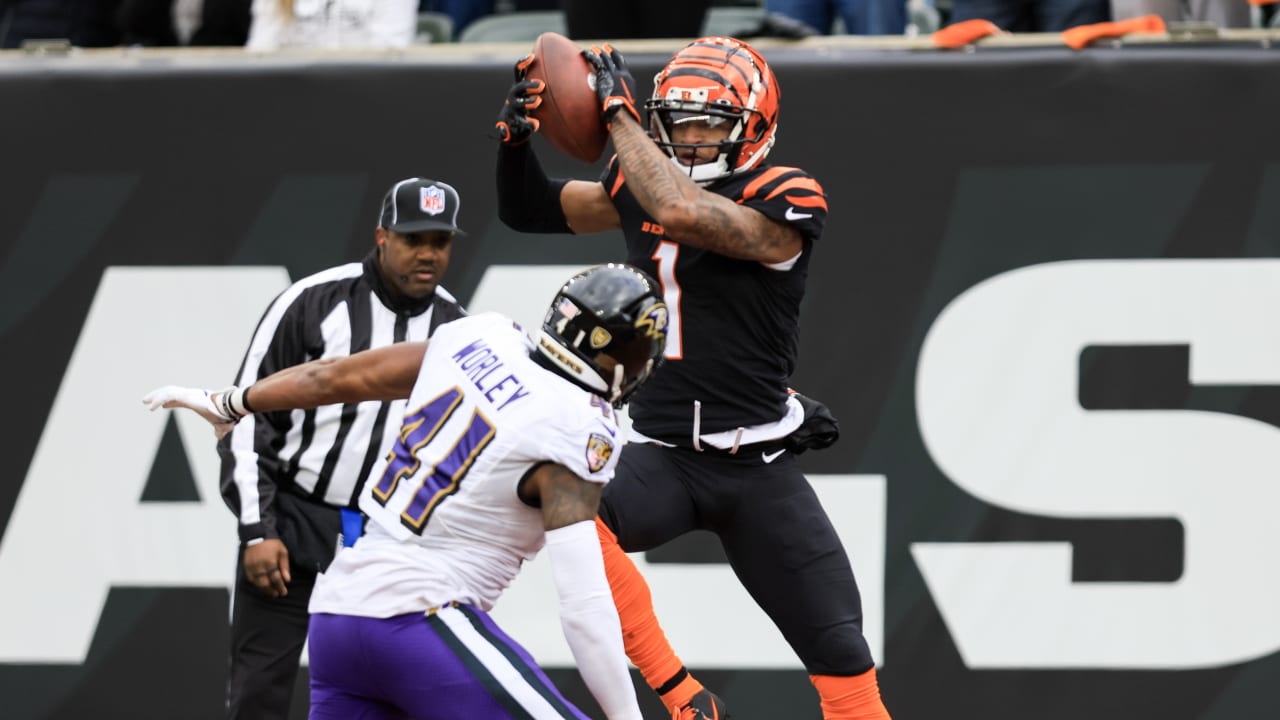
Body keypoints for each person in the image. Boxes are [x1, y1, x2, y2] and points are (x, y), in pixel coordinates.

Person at [494, 36, 892, 720]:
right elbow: (531, 211)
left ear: (755, 127)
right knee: (567, 508)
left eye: (710, 122)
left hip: (758, 464)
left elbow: (679, 212)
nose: (693, 136)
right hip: (667, 456)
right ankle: (679, 696)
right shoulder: (636, 180)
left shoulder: (787, 195)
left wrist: (616, 117)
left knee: (846, 670)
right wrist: (515, 144)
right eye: (678, 121)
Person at [144, 263, 669, 720]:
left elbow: (334, 378)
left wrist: (234, 401)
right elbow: (583, 602)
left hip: (338, 615)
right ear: (618, 355)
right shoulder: (579, 426)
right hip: (418, 619)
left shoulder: (484, 334)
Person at [215, 177, 467, 720]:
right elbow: (244, 415)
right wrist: (257, 530)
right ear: (382, 235)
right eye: (413, 239)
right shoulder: (312, 301)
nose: (427, 254)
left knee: (389, 694)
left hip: (388, 539)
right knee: (259, 690)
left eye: (440, 242)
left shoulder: (457, 330)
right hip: (295, 520)